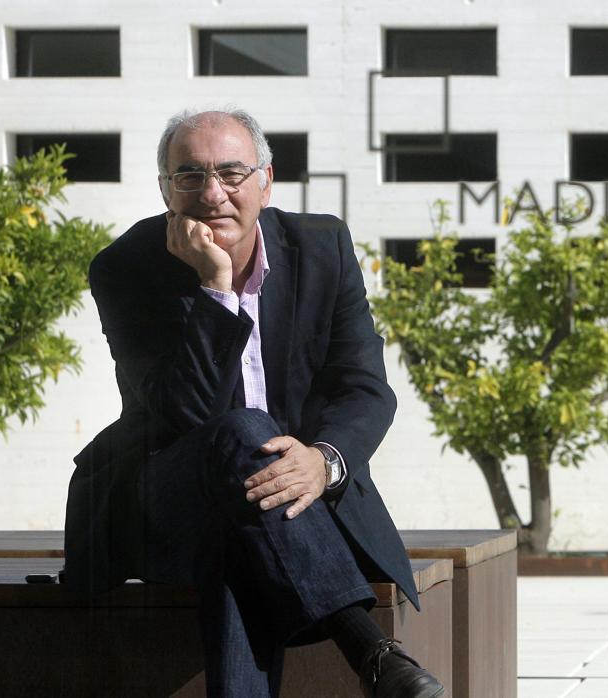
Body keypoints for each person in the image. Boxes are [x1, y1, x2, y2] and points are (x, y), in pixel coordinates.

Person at [63, 107, 445, 698]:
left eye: (231, 173)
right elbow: (184, 416)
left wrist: (325, 460)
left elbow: (365, 387)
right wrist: (215, 289)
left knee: (236, 531)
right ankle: (367, 647)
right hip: (162, 498)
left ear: (266, 181)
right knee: (241, 431)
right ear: (165, 189)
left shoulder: (324, 247)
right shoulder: (125, 267)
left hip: (290, 503)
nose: (212, 193)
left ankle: (373, 658)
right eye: (188, 176)